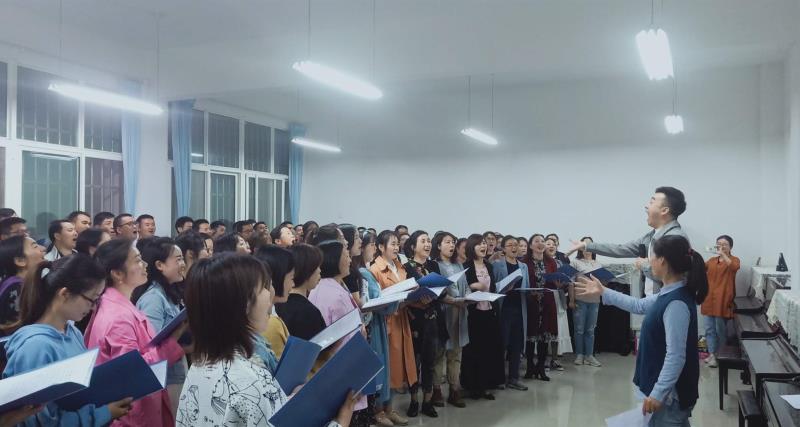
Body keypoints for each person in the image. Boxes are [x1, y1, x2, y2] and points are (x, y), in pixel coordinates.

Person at [178, 253, 357, 427]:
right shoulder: (252, 379)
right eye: (264, 287)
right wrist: (341, 421)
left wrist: (283, 399)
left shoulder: (200, 365)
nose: (271, 293)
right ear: (244, 303)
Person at [575, 235, 706, 426]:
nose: (649, 261)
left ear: (662, 261)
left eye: (652, 256)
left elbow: (676, 355)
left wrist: (658, 393)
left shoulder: (676, 302)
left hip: (669, 398)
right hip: (663, 392)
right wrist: (603, 291)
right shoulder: (669, 292)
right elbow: (638, 305)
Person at [2, 254, 133, 426]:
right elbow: (42, 421)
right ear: (64, 294)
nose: (93, 307)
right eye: (91, 299)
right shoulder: (35, 347)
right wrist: (103, 413)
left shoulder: (72, 331)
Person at [86, 238, 188, 426]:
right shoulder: (118, 317)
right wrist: (171, 342)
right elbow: (132, 371)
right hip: (131, 415)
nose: (145, 264)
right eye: (138, 260)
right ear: (117, 273)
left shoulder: (117, 304)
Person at [566, 187, 689, 295]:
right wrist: (586, 245)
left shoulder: (676, 238)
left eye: (652, 202)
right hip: (651, 300)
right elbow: (620, 249)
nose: (646, 206)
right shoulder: (651, 236)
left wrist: (645, 266)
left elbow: (673, 278)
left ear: (664, 210)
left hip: (665, 303)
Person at [308, 240, 369, 426]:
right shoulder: (334, 294)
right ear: (334, 259)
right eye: (346, 256)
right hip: (343, 371)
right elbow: (346, 340)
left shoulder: (329, 286)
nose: (350, 260)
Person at [133, 237, 189, 417]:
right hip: (166, 378)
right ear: (159, 265)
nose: (183, 264)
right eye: (178, 259)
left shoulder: (168, 291)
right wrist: (181, 335)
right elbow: (149, 348)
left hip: (174, 371)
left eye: (183, 259)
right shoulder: (153, 298)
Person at [369, 231, 415, 427]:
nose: (397, 248)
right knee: (386, 365)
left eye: (398, 244)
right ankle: (378, 410)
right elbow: (376, 299)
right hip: (386, 321)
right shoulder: (375, 269)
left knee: (398, 365)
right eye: (393, 244)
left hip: (402, 318)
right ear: (381, 247)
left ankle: (390, 408)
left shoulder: (400, 266)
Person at [354, 232, 398, 427]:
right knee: (376, 368)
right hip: (371, 325)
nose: (373, 248)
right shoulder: (363, 273)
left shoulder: (364, 271)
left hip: (377, 322)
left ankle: (381, 409)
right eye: (371, 244)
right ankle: (375, 411)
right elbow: (367, 301)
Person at [402, 231, 442, 418]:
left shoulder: (433, 265)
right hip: (413, 320)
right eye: (423, 241)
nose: (427, 244)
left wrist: (435, 295)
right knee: (414, 363)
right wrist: (417, 299)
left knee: (430, 362)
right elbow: (403, 295)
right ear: (413, 246)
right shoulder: (405, 267)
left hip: (432, 319)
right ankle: (413, 401)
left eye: (428, 241)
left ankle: (427, 401)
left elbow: (442, 289)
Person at [461, 234, 505, 399]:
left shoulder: (489, 265)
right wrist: (473, 285)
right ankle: (473, 386)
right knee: (474, 351)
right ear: (471, 247)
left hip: (490, 311)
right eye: (479, 244)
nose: (483, 246)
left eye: (484, 243)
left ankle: (486, 385)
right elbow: (462, 289)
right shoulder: (465, 266)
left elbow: (492, 287)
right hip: (474, 313)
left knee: (489, 350)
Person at [430, 231, 469, 408]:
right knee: (439, 354)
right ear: (438, 245)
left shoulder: (459, 265)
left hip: (460, 313)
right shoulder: (434, 265)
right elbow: (437, 292)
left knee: (456, 354)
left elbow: (466, 286)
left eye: (453, 242)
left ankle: (454, 389)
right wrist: (454, 301)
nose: (452, 245)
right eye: (447, 242)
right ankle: (437, 390)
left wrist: (468, 297)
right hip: (444, 312)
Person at [493, 236, 531, 389]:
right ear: (503, 248)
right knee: (502, 344)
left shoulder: (523, 266)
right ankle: (499, 378)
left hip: (519, 308)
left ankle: (514, 378)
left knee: (517, 344)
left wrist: (532, 292)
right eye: (510, 245)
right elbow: (493, 287)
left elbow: (526, 286)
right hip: (504, 308)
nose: (514, 248)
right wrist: (504, 288)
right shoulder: (497, 265)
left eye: (516, 245)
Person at [521, 234, 558, 381]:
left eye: (543, 241)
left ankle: (541, 367)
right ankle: (530, 367)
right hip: (531, 303)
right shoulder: (524, 262)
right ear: (530, 245)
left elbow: (555, 282)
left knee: (544, 338)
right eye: (537, 241)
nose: (541, 243)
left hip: (547, 302)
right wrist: (531, 293)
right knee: (530, 337)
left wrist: (559, 283)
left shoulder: (551, 262)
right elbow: (522, 283)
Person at [701, 235, 740, 368]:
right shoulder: (711, 261)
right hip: (708, 300)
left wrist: (723, 254)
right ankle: (712, 354)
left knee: (720, 330)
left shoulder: (734, 260)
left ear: (730, 247)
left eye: (725, 244)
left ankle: (721, 356)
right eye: (719, 244)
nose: (721, 246)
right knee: (709, 329)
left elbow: (734, 268)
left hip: (722, 301)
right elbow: (700, 269)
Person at [277, 244, 326, 340]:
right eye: (317, 267)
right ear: (307, 270)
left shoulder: (279, 303)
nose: (320, 271)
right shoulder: (308, 312)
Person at [254, 245, 294, 359]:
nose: (293, 284)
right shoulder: (271, 323)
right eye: (291, 278)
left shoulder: (273, 312)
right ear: (278, 277)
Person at [571, 236, 602, 367]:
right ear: (580, 248)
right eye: (584, 245)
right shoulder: (575, 262)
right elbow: (571, 283)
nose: (587, 248)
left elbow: (601, 284)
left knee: (590, 330)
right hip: (580, 299)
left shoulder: (598, 264)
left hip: (594, 300)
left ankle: (589, 355)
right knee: (579, 329)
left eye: (589, 245)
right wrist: (571, 300)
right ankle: (579, 355)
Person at [0, 236, 45, 325]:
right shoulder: (17, 289)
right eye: (35, 246)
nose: (43, 249)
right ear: (20, 261)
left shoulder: (23, 284)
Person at [545, 236, 573, 365]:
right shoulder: (541, 262)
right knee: (546, 329)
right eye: (548, 243)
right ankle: (544, 359)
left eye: (553, 244)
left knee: (558, 328)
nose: (551, 246)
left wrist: (562, 284)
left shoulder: (561, 263)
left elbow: (567, 282)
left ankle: (555, 358)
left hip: (558, 298)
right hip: (545, 298)